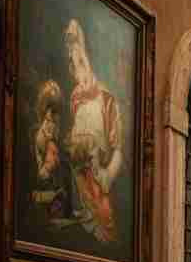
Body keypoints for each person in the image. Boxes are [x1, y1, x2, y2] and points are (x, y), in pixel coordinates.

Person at [64, 19, 122, 243]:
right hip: (79, 176)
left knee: (104, 226)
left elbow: (118, 150)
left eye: (81, 61)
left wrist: (107, 175)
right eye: (73, 64)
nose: (78, 70)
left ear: (89, 61)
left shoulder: (107, 100)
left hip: (99, 178)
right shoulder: (75, 101)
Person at [31, 79, 68, 220]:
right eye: (50, 113)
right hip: (44, 188)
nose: (53, 120)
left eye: (56, 113)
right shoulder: (42, 134)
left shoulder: (54, 133)